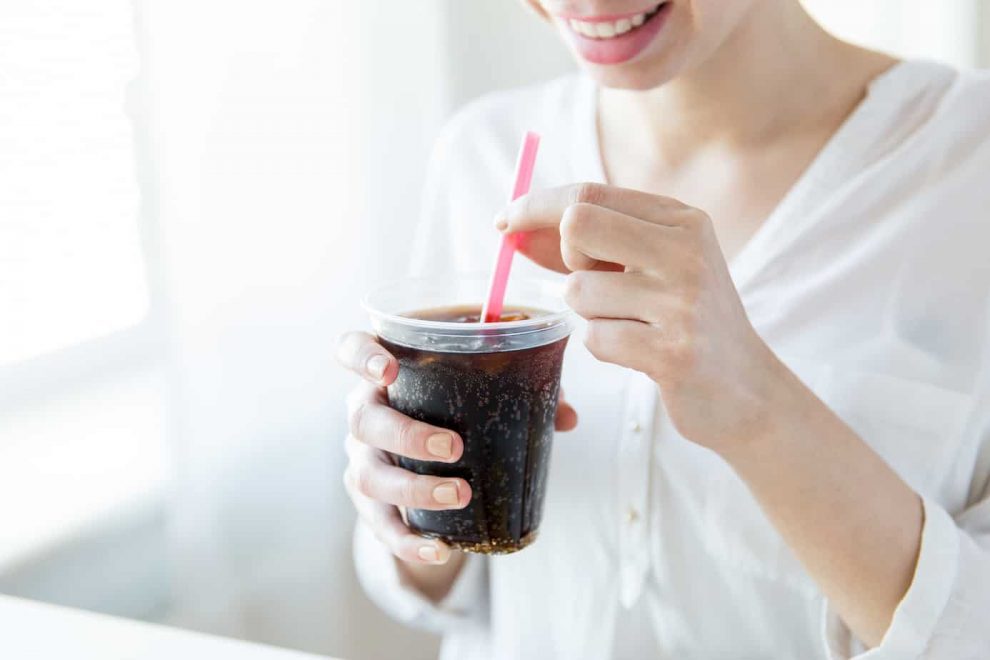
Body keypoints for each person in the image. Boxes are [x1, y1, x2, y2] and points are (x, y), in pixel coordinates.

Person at [336, 1, 990, 657]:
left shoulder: (969, 166)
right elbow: (454, 590)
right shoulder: (485, 151)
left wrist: (756, 404)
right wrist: (414, 489)